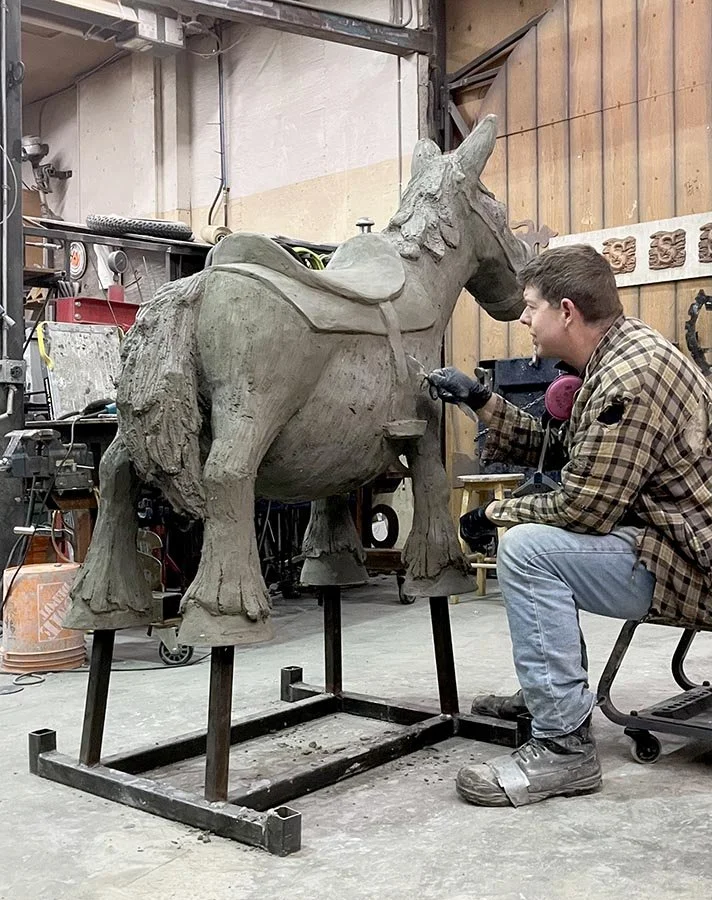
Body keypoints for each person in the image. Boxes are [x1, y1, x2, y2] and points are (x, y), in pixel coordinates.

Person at [428, 243, 712, 808]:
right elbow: (562, 449)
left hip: (690, 563)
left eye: (530, 307)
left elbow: (586, 509)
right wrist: (481, 401)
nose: (523, 319)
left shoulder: (629, 379)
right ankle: (552, 695)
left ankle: (563, 745)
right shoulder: (618, 353)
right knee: (537, 541)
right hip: (670, 539)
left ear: (566, 311)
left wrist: (494, 514)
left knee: (529, 551)